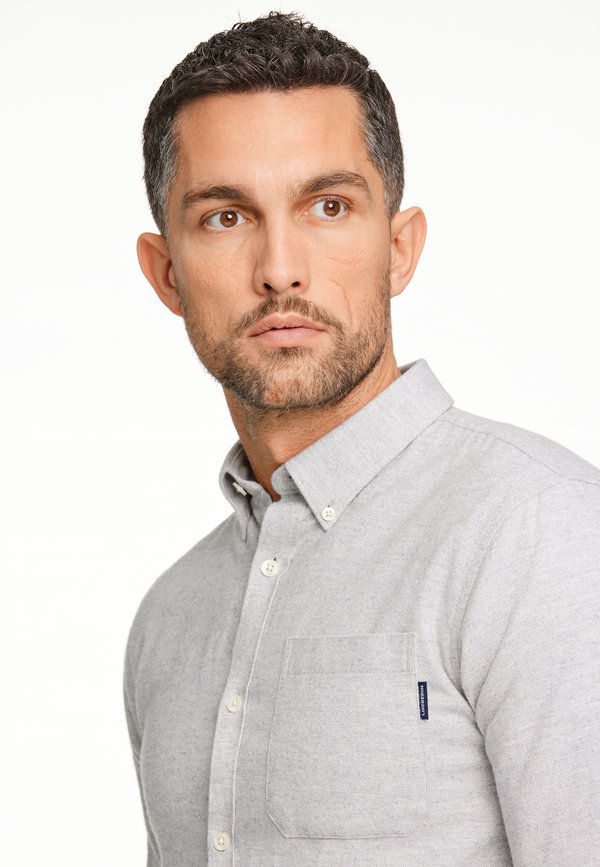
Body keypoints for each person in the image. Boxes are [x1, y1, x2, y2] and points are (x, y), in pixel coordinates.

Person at [123, 11, 600, 866]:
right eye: (226, 217)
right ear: (166, 273)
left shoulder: (541, 536)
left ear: (400, 248)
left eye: (328, 206)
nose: (280, 267)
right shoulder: (171, 617)